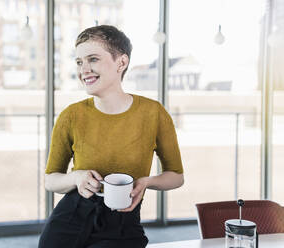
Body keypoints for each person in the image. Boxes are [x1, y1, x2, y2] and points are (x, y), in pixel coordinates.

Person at [38, 25, 184, 248]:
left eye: (93, 59)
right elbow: (51, 180)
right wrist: (76, 177)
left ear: (121, 63)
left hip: (123, 223)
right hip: (69, 221)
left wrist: (146, 182)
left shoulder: (154, 113)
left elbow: (176, 176)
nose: (83, 69)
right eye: (79, 62)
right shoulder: (71, 115)